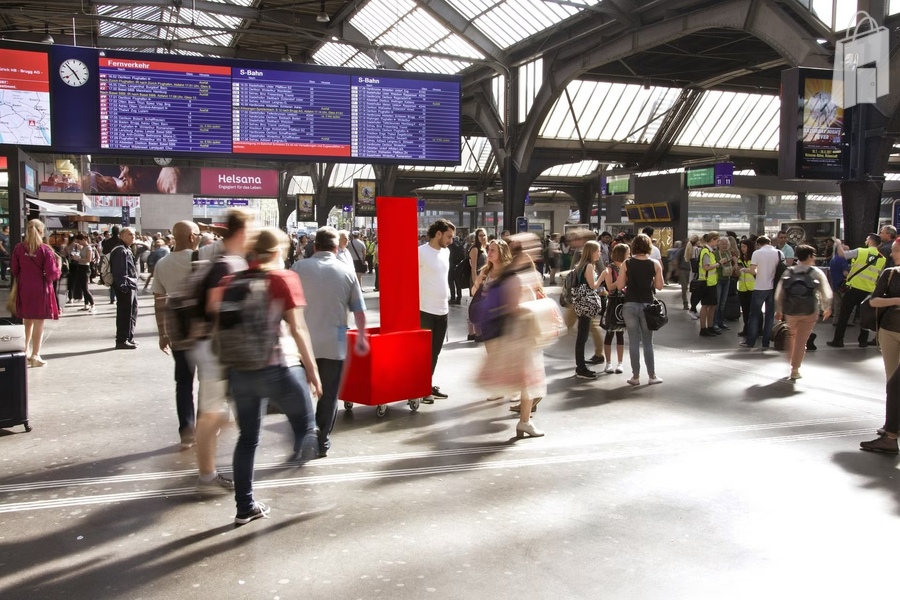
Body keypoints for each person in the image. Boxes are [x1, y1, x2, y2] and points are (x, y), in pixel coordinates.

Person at [210, 228, 322, 525]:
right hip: (276, 369)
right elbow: (297, 329)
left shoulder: (229, 281)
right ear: (277, 252)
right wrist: (312, 370)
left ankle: (244, 507)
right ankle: (305, 447)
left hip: (239, 371)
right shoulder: (283, 278)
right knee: (308, 424)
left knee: (247, 439)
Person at [292, 226, 369, 457]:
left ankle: (302, 437)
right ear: (336, 248)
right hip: (333, 344)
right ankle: (322, 440)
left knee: (300, 392)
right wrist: (362, 337)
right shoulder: (346, 271)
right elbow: (360, 311)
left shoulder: (297, 268)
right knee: (328, 393)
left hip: (301, 344)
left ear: (315, 246)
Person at [476, 233, 546, 438]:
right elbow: (514, 308)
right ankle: (525, 422)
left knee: (527, 382)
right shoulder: (515, 278)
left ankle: (525, 421)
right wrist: (536, 309)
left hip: (518, 335)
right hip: (520, 336)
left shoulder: (510, 275)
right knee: (529, 382)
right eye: (532, 249)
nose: (535, 253)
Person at [152, 220, 202, 449]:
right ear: (192, 236)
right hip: (202, 327)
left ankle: (186, 430)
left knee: (183, 382)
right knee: (208, 379)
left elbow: (158, 300)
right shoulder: (200, 259)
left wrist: (162, 333)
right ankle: (205, 424)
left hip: (177, 328)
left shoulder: (162, 263)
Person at [859, 240, 900, 454]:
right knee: (892, 381)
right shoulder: (890, 273)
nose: (893, 254)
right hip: (890, 331)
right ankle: (890, 428)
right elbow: (874, 301)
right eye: (893, 250)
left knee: (895, 385)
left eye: (896, 250)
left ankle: (892, 433)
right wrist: (896, 300)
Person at [774, 245, 832, 380]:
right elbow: (826, 292)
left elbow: (780, 292)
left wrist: (779, 309)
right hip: (809, 310)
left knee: (791, 336)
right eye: (814, 255)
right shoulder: (816, 272)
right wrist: (826, 307)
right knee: (801, 341)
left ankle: (791, 362)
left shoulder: (789, 271)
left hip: (791, 310)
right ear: (810, 256)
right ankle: (795, 369)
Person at [10, 219, 61, 367]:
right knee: (39, 322)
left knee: (27, 321)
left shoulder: (19, 248)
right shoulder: (45, 249)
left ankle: (24, 351)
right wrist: (59, 267)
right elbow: (52, 274)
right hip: (40, 287)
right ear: (41, 231)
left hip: (24, 287)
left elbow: (14, 270)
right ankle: (35, 354)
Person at [619, 233, 664, 385]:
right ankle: (652, 376)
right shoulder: (654, 264)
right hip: (648, 306)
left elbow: (620, 286)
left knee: (633, 341)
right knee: (647, 342)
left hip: (629, 304)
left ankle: (635, 377)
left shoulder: (627, 263)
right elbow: (659, 286)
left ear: (634, 246)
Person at [472, 239, 513, 401]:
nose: (489, 253)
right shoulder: (486, 271)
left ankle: (513, 387)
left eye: (493, 250)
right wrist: (478, 281)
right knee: (493, 355)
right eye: (489, 250)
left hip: (504, 317)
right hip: (488, 318)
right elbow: (475, 291)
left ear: (501, 252)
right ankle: (499, 388)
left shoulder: (508, 271)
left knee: (506, 355)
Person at [828, 234, 886, 348]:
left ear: (869, 241)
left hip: (854, 288)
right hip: (869, 290)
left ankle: (838, 340)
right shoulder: (882, 259)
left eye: (866, 239)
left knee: (844, 314)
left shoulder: (860, 251)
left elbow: (842, 254)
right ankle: (863, 341)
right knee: (865, 315)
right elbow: (880, 275)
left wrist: (839, 244)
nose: (865, 240)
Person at [419, 218, 455, 403]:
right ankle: (420, 388)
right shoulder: (421, 252)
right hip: (424, 309)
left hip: (443, 309)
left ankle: (426, 385)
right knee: (424, 353)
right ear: (438, 233)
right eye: (448, 236)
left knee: (435, 352)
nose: (451, 240)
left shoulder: (446, 252)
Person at [739, 236, 782, 349]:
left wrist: (745, 269)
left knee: (754, 315)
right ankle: (765, 342)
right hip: (773, 287)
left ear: (758, 244)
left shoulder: (757, 253)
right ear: (769, 242)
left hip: (759, 287)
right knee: (769, 316)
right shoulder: (778, 253)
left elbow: (753, 270)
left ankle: (751, 341)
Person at [572, 240, 603, 380]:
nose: (600, 253)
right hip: (586, 305)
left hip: (580, 304)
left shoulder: (580, 266)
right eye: (598, 251)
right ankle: (581, 367)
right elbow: (593, 285)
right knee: (582, 336)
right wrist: (603, 276)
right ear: (591, 252)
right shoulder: (589, 266)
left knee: (582, 336)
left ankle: (581, 365)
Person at [599, 243, 629, 374]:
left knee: (621, 333)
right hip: (613, 302)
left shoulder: (627, 266)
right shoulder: (610, 268)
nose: (629, 255)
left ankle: (620, 362)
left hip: (623, 301)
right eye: (628, 252)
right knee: (610, 332)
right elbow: (610, 287)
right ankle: (608, 363)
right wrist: (621, 279)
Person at [110, 227, 139, 349]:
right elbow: (120, 271)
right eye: (129, 234)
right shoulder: (121, 251)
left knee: (132, 312)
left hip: (131, 285)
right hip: (126, 287)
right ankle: (122, 339)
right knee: (125, 314)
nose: (133, 237)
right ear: (122, 236)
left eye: (133, 234)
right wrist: (124, 287)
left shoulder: (127, 249)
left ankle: (129, 337)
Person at [697, 232, 721, 337]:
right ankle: (703, 328)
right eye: (717, 240)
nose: (718, 242)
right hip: (706, 282)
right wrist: (718, 264)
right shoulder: (706, 252)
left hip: (711, 282)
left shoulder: (710, 252)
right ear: (712, 240)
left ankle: (710, 327)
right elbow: (706, 267)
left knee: (711, 306)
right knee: (705, 306)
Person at [466, 228, 488, 341]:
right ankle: (472, 333)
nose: (483, 237)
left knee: (476, 305)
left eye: (484, 235)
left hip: (483, 280)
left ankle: (473, 333)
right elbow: (473, 269)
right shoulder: (475, 249)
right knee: (475, 305)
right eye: (480, 235)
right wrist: (475, 284)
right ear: (476, 237)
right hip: (476, 280)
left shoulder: (484, 249)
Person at [713, 236, 736, 331]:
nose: (724, 246)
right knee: (717, 303)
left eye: (726, 244)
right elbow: (712, 266)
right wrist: (720, 263)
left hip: (727, 279)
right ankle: (714, 323)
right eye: (722, 244)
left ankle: (720, 322)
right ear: (718, 244)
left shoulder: (728, 253)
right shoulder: (714, 254)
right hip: (718, 279)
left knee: (723, 303)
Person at [736, 239, 756, 337]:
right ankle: (746, 328)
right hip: (742, 288)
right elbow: (737, 272)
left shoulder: (754, 258)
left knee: (754, 310)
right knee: (745, 310)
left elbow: (755, 271)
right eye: (741, 246)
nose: (742, 248)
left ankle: (755, 329)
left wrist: (745, 270)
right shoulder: (740, 258)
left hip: (752, 287)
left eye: (744, 246)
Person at [72, 234, 95, 312]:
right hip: (80, 267)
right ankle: (86, 304)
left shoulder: (88, 248)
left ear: (83, 239)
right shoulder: (83, 248)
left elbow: (89, 259)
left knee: (85, 288)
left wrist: (78, 259)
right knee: (83, 287)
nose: (79, 243)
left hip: (85, 268)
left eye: (79, 241)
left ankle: (92, 304)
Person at [101, 225, 123, 305]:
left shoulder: (108, 241)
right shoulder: (121, 241)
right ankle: (119, 297)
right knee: (119, 279)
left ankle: (112, 298)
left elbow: (104, 251)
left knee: (112, 280)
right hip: (120, 262)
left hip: (110, 262)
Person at [448, 235, 465, 305]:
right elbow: (463, 255)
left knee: (451, 282)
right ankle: (459, 298)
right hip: (459, 266)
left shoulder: (450, 246)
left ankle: (452, 297)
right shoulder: (459, 244)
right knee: (458, 283)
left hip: (451, 265)